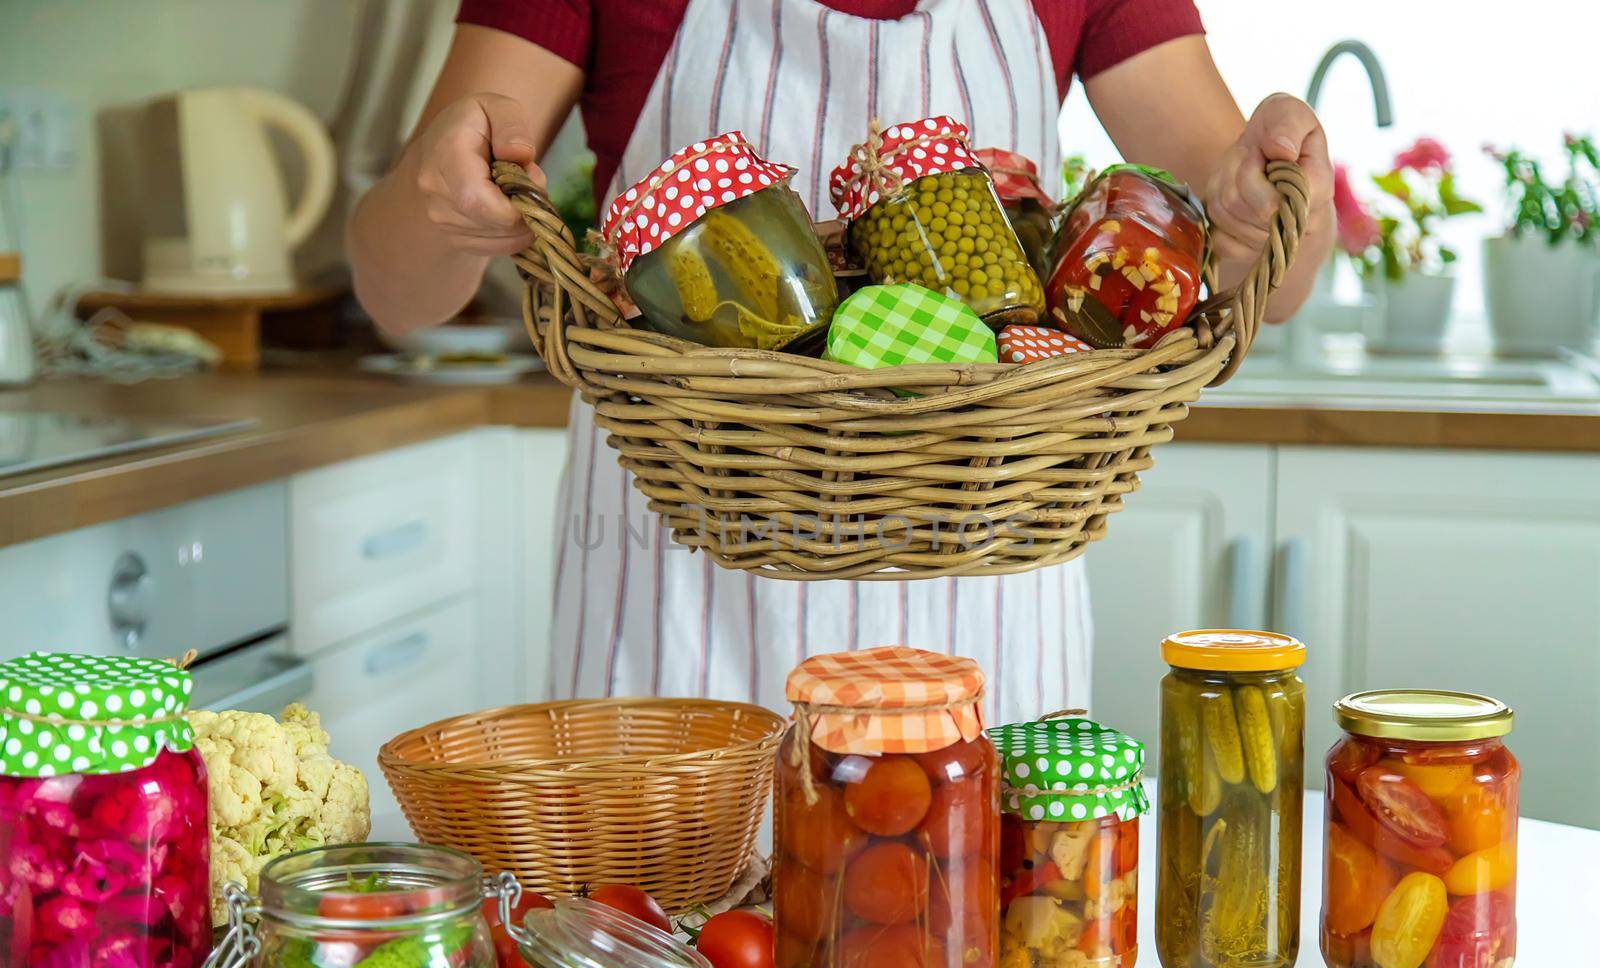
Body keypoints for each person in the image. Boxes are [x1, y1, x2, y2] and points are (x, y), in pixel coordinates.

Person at [348, 0, 1334, 724]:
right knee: (660, 948)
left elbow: (1256, 269)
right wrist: (438, 193)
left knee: (972, 945)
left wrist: (1277, 202)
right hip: (675, 605)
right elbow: (395, 289)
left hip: (983, 599)